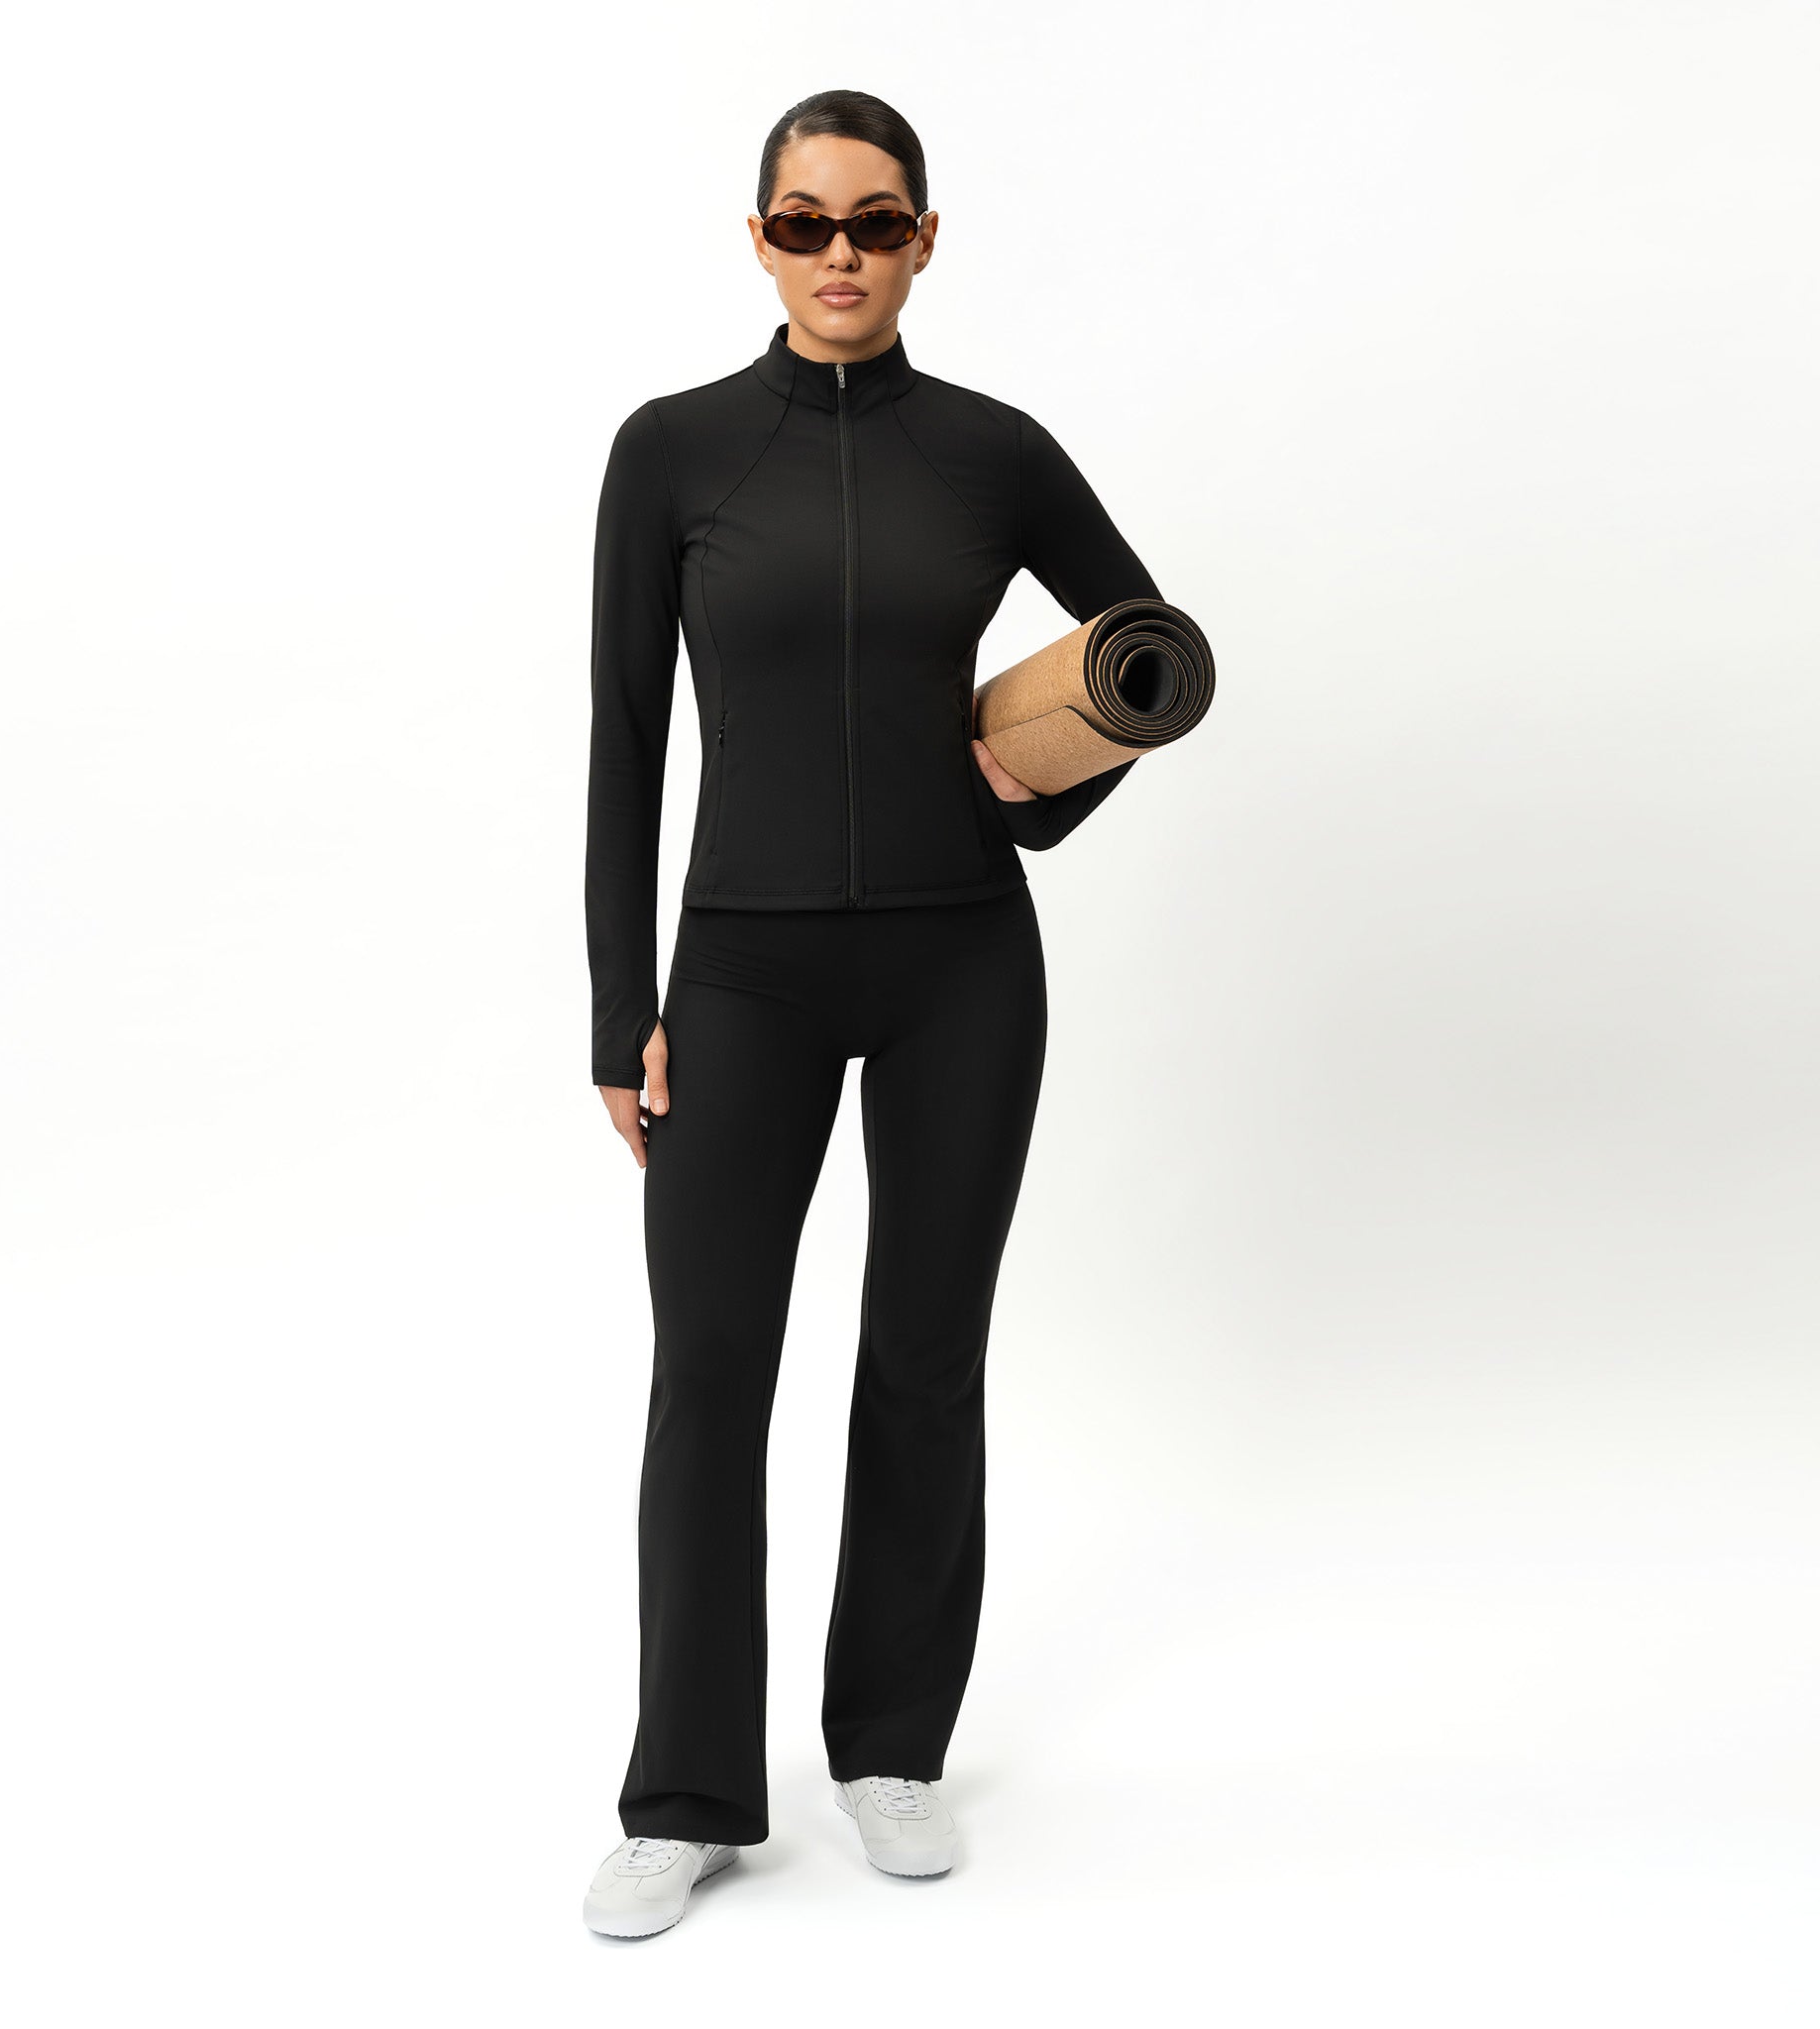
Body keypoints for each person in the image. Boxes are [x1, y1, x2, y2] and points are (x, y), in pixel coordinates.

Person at [581, 88, 1162, 1939]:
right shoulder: (672, 452)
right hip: (738, 975)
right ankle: (685, 1794)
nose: (841, 254)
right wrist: (618, 1006)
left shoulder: (992, 452)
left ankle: (893, 1746)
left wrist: (1033, 791)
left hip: (959, 969)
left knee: (923, 1354)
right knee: (711, 1372)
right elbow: (625, 737)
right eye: (805, 222)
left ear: (924, 241)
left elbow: (1150, 655)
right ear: (757, 240)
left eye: (877, 222)